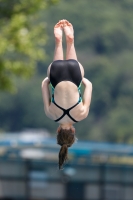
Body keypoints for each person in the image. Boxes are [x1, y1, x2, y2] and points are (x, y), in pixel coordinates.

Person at [42, 19, 92, 169]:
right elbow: (44, 84)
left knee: (71, 43)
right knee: (58, 44)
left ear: (73, 131)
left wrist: (79, 79)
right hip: (56, 75)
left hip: (74, 74)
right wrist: (49, 79)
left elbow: (88, 85)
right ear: (57, 131)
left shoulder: (82, 114)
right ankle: (58, 39)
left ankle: (69, 39)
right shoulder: (50, 114)